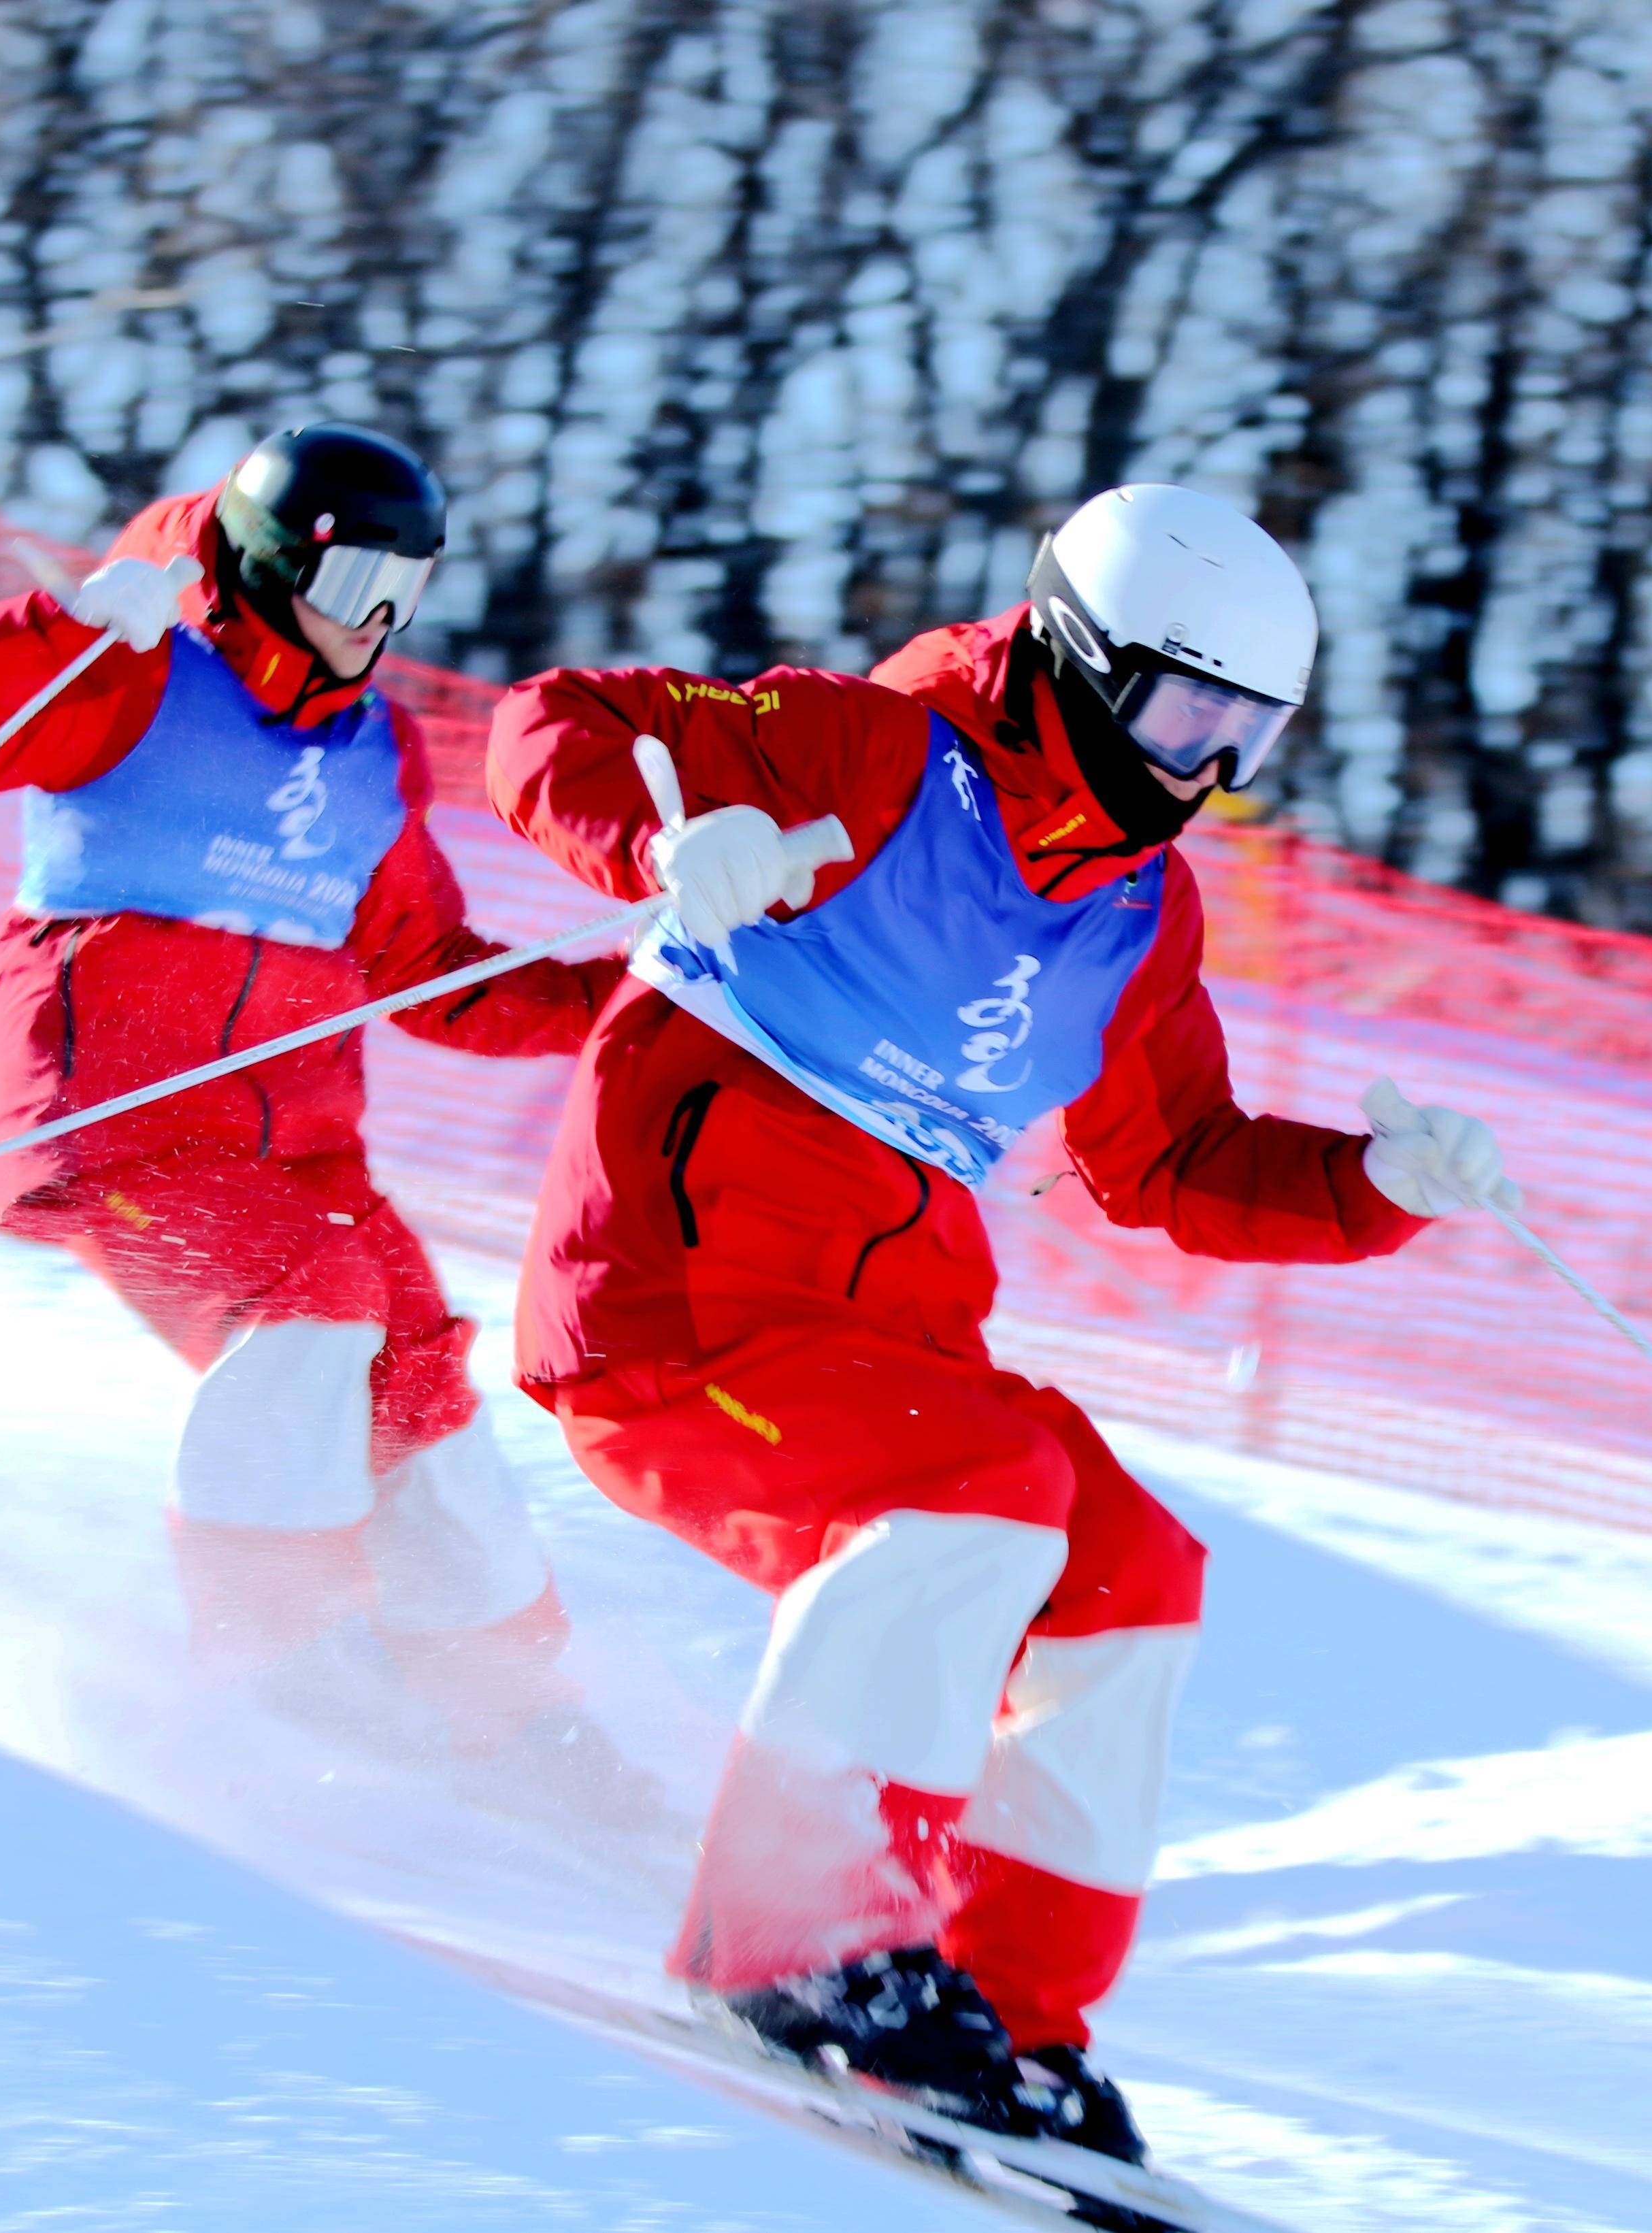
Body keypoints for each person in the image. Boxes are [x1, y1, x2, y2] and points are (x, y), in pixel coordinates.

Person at [486, 485, 1518, 2164]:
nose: (1205, 768)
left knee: (1129, 1565)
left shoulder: (1137, 913)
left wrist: (1382, 1182)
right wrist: (663, 836)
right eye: (1188, 711)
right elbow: (560, 722)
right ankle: (794, 1938)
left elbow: (1173, 1161)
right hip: (676, 1301)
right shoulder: (871, 751)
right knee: (975, 1490)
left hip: (883, 1345)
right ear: (1081, 657)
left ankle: (1003, 2006)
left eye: (1248, 734)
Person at [0, 422, 653, 1821]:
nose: (380, 629)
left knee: (415, 1350)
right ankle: (280, 1646)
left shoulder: (372, 751)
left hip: (293, 1148)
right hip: (110, 1120)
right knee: (318, 1291)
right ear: (277, 561)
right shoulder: (133, 677)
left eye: (407, 597)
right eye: (359, 589)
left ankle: (503, 1705)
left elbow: (422, 965)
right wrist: (58, 624)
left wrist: (629, 989)